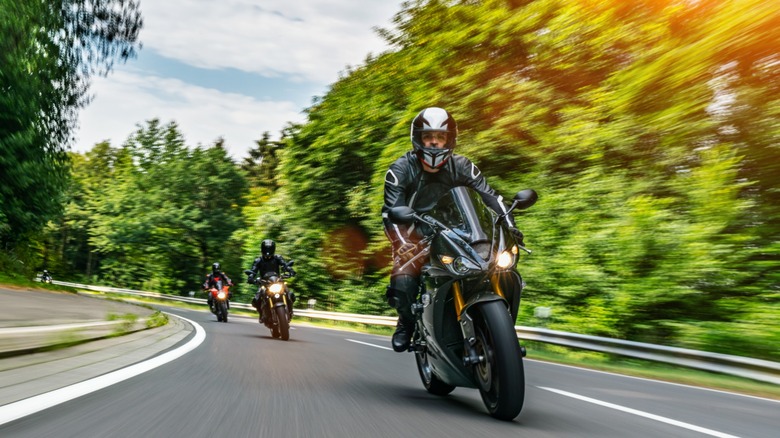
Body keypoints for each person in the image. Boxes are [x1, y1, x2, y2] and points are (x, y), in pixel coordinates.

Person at [382, 107, 525, 352]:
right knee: (404, 283)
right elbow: (390, 212)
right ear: (418, 138)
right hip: (417, 236)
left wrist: (511, 225)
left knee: (502, 266)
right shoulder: (400, 169)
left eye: (441, 137)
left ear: (450, 139)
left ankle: (502, 334)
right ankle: (406, 321)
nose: (435, 142)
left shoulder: (463, 166)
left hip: (461, 232)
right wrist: (401, 242)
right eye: (429, 137)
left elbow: (490, 197)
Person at [246, 239, 296, 323]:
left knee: (290, 294)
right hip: (264, 283)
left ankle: (290, 311)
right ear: (262, 249)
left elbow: (284, 265)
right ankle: (262, 314)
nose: (267, 252)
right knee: (256, 299)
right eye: (266, 249)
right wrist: (251, 277)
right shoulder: (258, 261)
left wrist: (290, 270)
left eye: (269, 249)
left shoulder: (278, 258)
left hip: (277, 281)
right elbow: (253, 270)